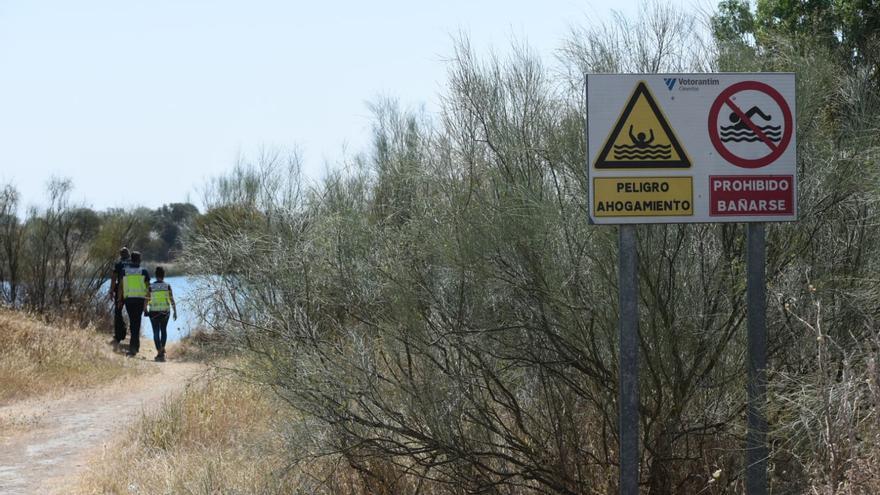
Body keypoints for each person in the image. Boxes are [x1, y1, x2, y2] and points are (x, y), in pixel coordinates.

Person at [117, 251, 150, 357]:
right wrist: (147, 302)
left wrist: (119, 300)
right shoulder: (144, 271)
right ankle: (134, 347)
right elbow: (148, 289)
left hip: (129, 300)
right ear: (139, 260)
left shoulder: (124, 271)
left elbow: (121, 287)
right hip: (140, 300)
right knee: (137, 322)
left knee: (133, 322)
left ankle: (134, 347)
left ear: (131, 259)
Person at [146, 266, 177, 362]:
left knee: (155, 331)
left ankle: (159, 353)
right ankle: (162, 350)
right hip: (165, 311)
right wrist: (175, 311)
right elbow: (171, 299)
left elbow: (147, 299)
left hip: (153, 312)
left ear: (155, 275)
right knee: (163, 330)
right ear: (163, 275)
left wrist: (144, 309)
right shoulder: (167, 286)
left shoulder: (151, 286)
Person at [109, 247, 131, 347]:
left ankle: (119, 334)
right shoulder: (133, 264)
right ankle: (133, 337)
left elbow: (114, 279)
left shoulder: (118, 264)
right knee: (132, 313)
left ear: (120, 255)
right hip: (132, 290)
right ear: (128, 254)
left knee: (118, 311)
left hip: (120, 291)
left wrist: (111, 290)